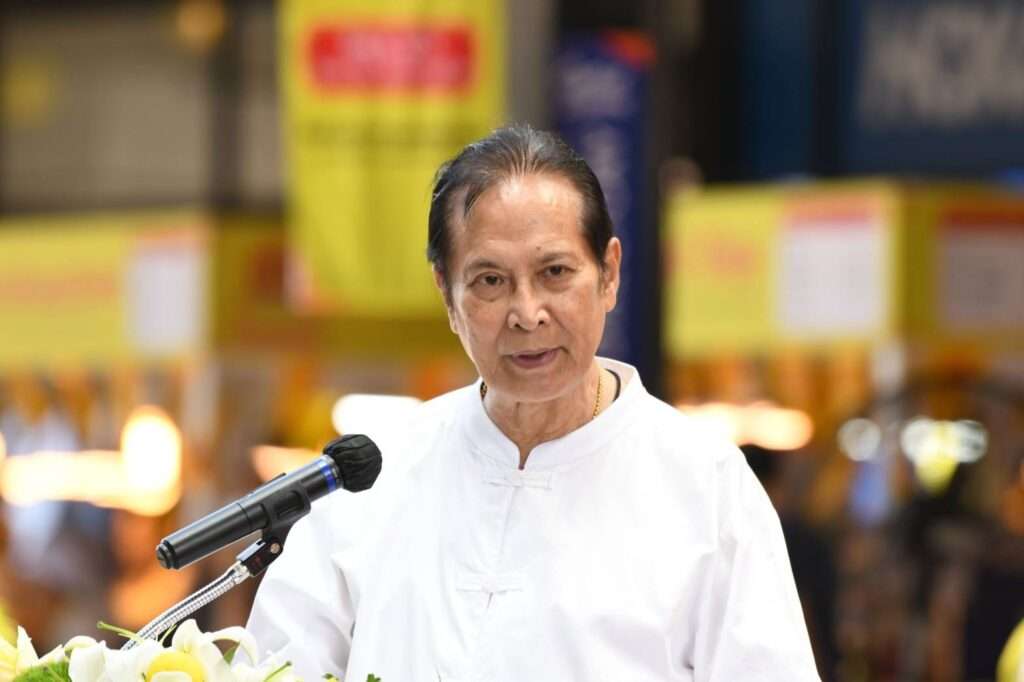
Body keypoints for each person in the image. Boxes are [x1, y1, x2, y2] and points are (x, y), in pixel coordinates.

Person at [247, 125, 819, 681]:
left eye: (555, 272)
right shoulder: (375, 479)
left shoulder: (707, 488)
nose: (527, 313)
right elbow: (274, 666)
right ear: (446, 293)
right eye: (490, 281)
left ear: (609, 273)